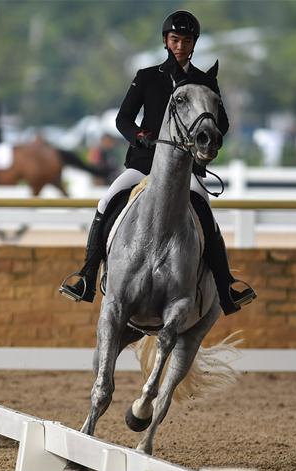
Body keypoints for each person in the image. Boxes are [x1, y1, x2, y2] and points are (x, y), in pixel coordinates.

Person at [59, 10, 256, 315]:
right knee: (106, 201)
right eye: (175, 39)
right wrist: (139, 136)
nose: (180, 45)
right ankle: (86, 275)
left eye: (186, 41)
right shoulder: (147, 77)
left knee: (205, 212)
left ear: (194, 44)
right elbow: (123, 118)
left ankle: (226, 285)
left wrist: (201, 140)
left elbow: (222, 123)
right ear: (166, 41)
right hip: (143, 163)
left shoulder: (204, 82)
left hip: (186, 169)